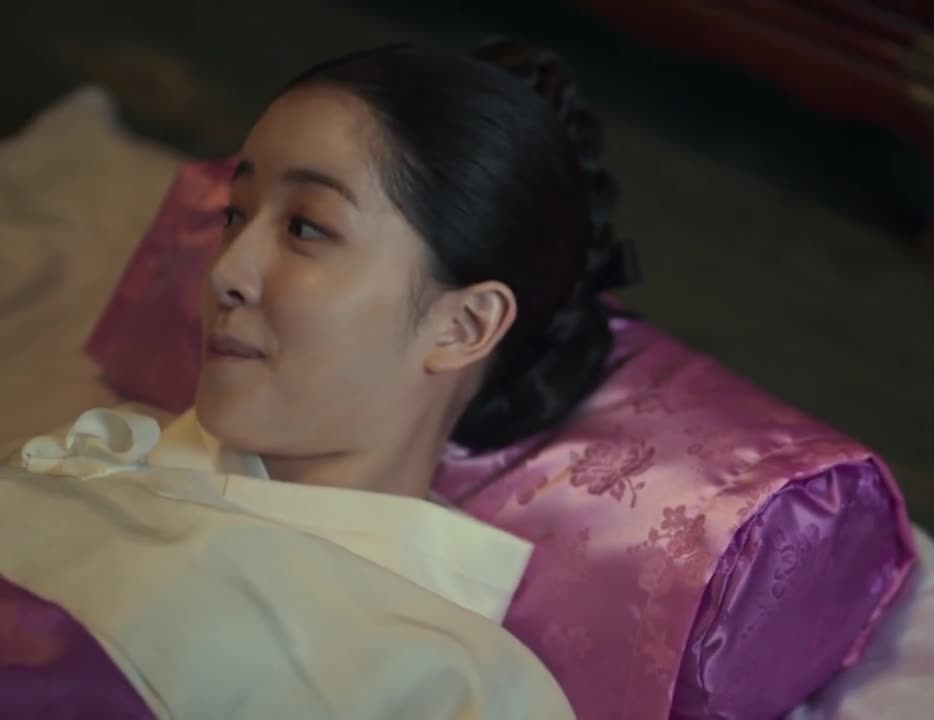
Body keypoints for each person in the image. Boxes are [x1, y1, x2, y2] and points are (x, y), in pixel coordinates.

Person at [1, 39, 638, 719]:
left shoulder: (462, 686)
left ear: (462, 326)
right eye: (235, 215)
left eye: (306, 227)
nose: (225, 272)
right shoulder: (99, 454)